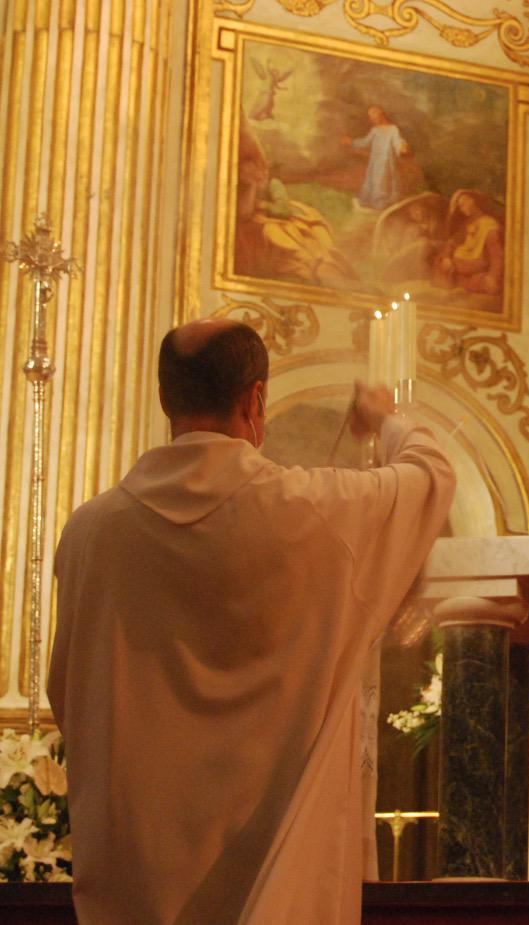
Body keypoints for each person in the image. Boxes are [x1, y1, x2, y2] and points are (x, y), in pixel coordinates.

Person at [48, 319, 456, 924]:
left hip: (138, 866)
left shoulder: (88, 533)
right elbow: (431, 475)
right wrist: (386, 416)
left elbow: (68, 693)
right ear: (256, 399)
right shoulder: (313, 512)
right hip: (273, 873)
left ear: (166, 399)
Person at [342, 105, 410, 211]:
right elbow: (365, 142)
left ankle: (381, 204)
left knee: (383, 182)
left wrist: (401, 147)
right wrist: (351, 142)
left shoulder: (393, 129)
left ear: (381, 116)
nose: (373, 120)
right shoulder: (375, 130)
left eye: (374, 118)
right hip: (375, 162)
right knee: (373, 180)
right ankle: (373, 202)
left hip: (386, 162)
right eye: (371, 118)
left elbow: (397, 141)